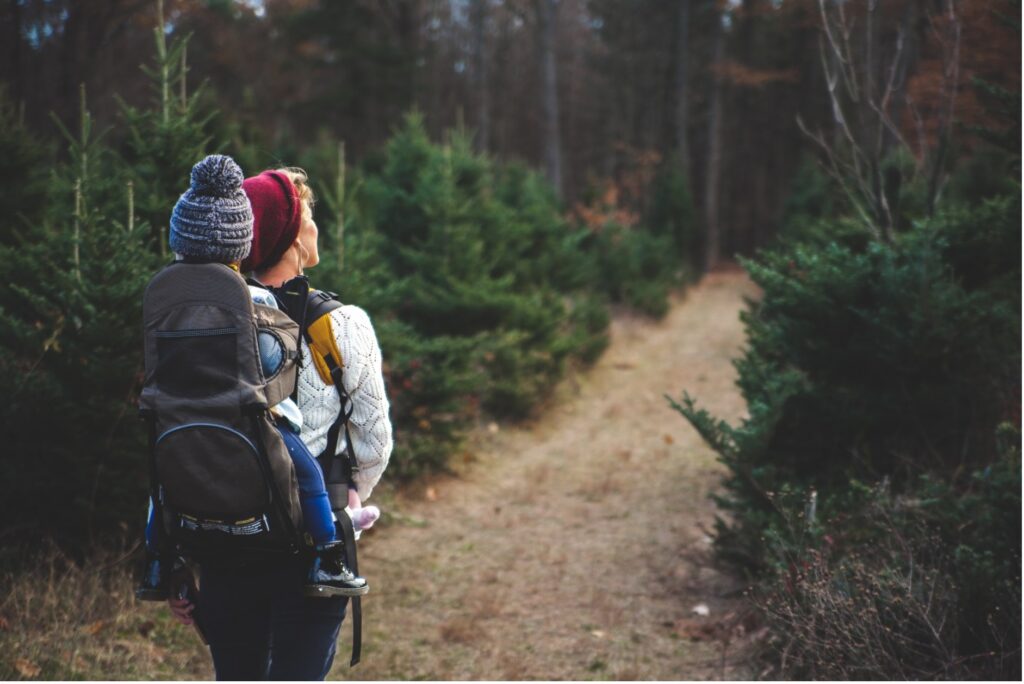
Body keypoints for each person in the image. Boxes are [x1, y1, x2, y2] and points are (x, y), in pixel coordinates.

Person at [169, 164, 393, 680]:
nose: (316, 224)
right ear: (292, 235)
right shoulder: (340, 324)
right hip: (310, 550)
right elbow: (375, 442)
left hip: (224, 539)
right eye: (309, 214)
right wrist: (347, 500)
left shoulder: (206, 321)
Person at [135, 154, 369, 604]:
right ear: (240, 245)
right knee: (305, 471)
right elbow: (271, 356)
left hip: (177, 413)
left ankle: (156, 561)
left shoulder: (164, 296)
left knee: (161, 482)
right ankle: (328, 556)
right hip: (245, 412)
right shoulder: (251, 297)